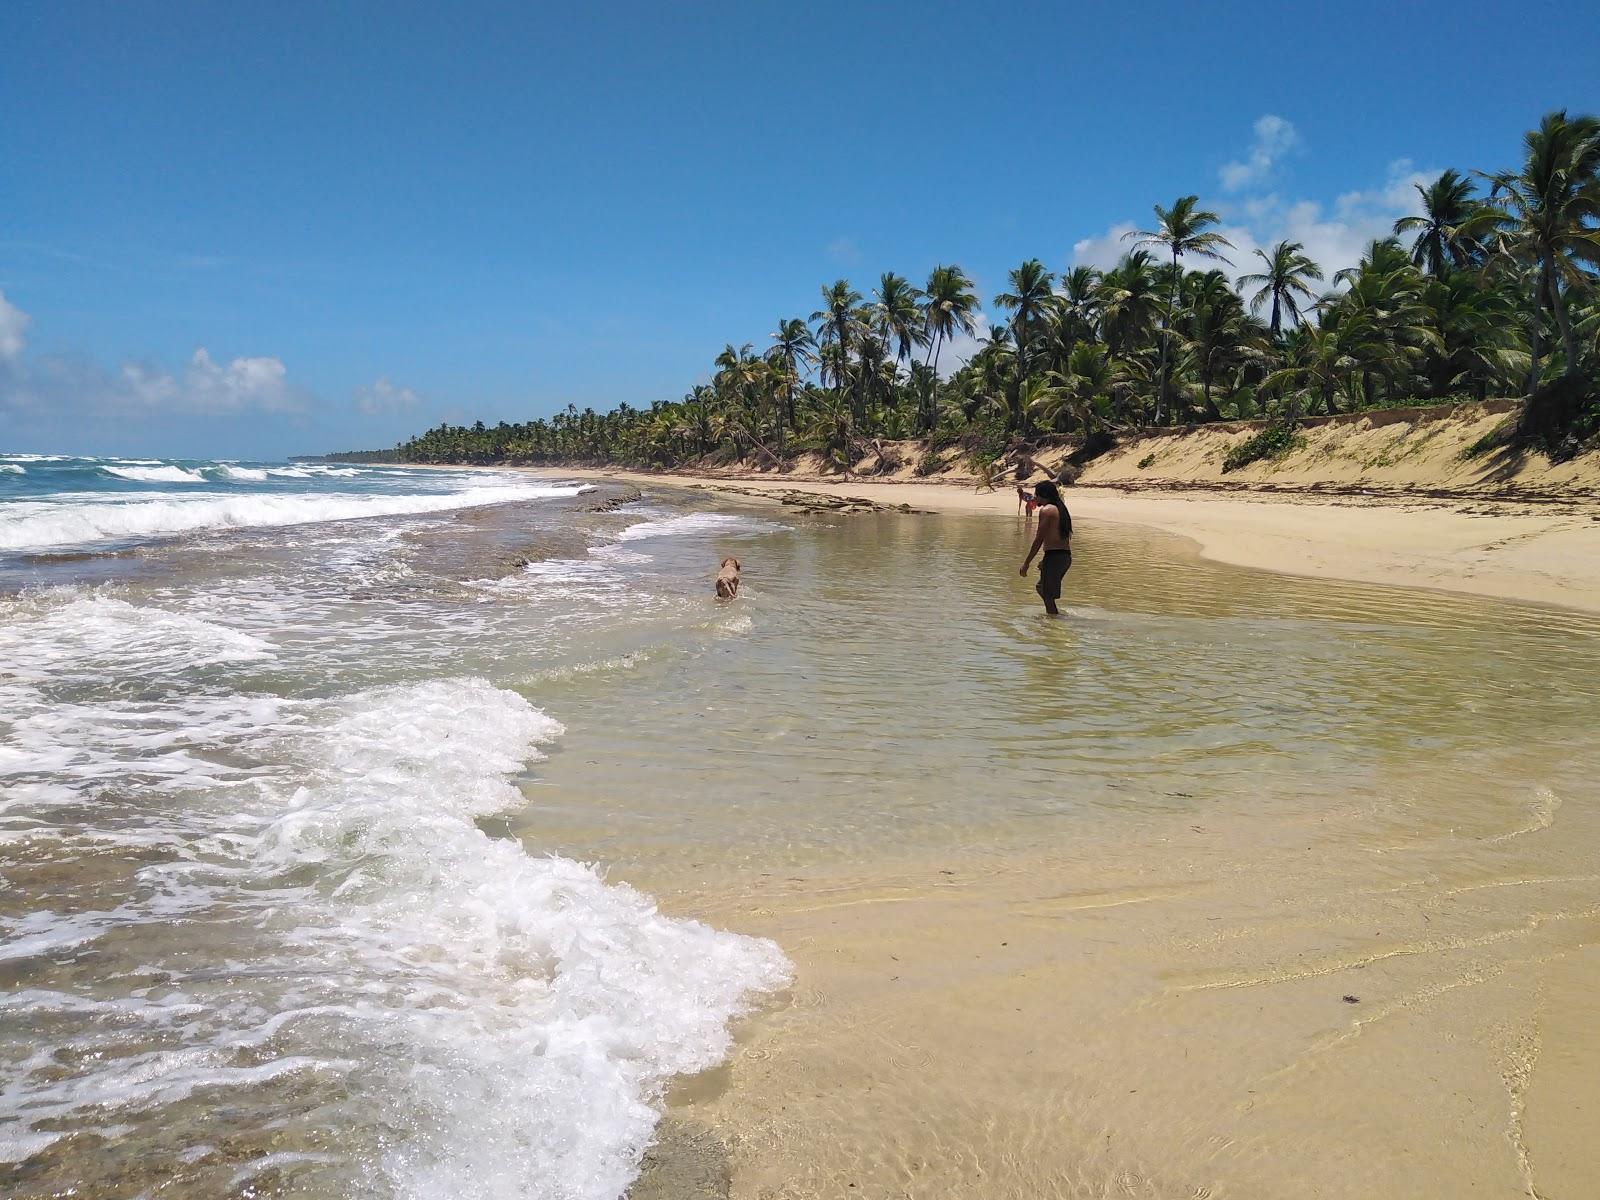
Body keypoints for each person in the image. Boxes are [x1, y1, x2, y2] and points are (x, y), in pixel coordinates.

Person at [1018, 479, 1072, 615]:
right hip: (1062, 556)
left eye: (1037, 495)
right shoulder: (1060, 508)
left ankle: (1054, 623)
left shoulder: (1047, 510)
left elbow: (1039, 539)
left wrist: (1026, 563)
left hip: (1055, 557)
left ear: (1044, 495)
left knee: (1046, 594)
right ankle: (1053, 620)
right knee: (1042, 588)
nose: (1035, 497)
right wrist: (1046, 560)